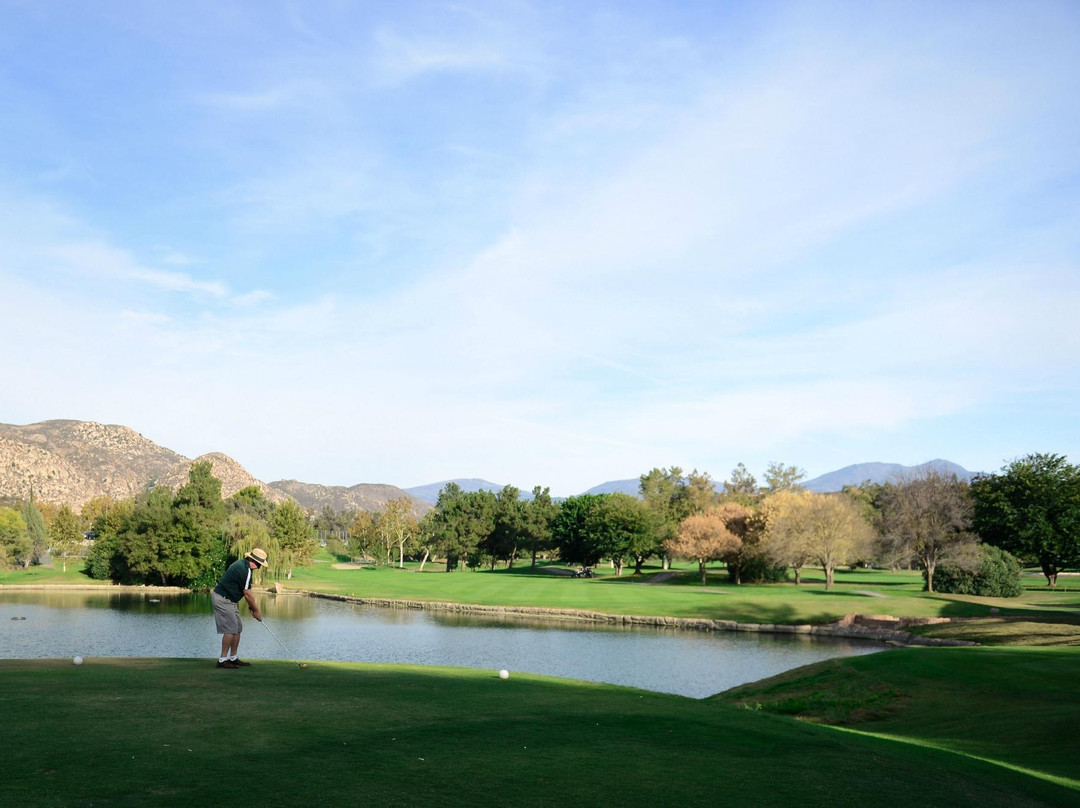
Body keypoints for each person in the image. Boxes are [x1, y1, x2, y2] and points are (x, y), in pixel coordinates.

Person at [211, 548, 267, 669]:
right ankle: (222, 660)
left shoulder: (245, 567)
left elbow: (246, 591)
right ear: (252, 559)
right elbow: (247, 594)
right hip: (223, 599)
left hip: (230, 600)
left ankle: (233, 658)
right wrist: (256, 610)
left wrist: (251, 607)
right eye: (258, 564)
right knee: (230, 629)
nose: (258, 567)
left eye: (260, 565)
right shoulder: (244, 569)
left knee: (237, 628)